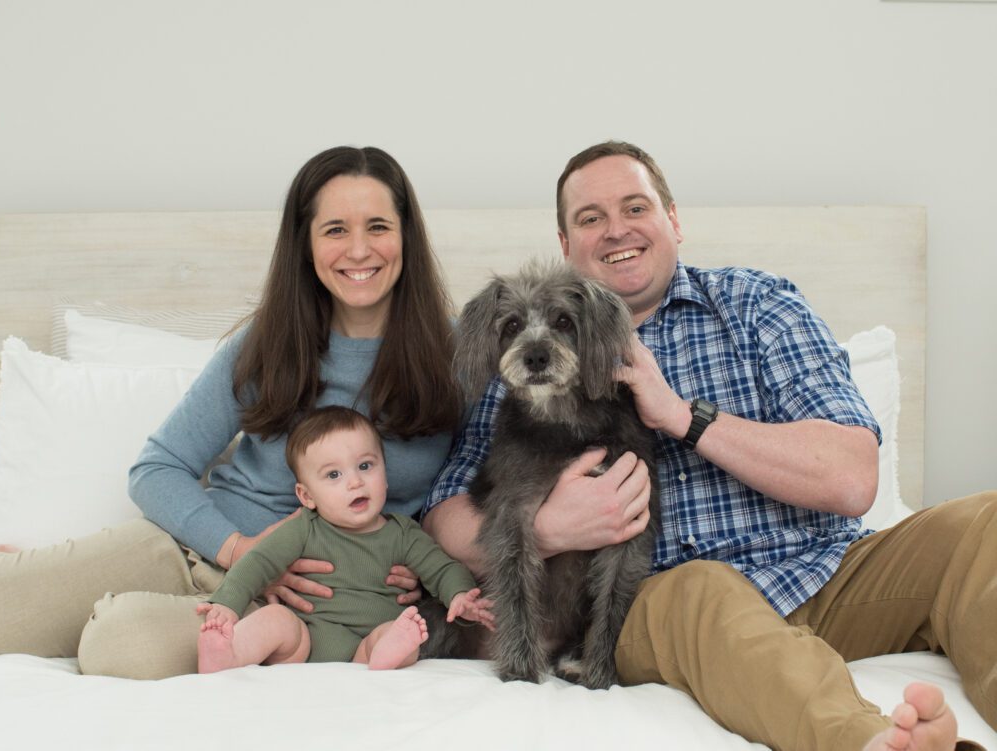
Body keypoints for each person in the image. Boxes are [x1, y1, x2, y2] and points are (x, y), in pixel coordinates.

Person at [422, 140, 996, 751]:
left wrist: (680, 416)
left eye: (636, 207)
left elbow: (853, 479)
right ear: (566, 245)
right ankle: (871, 744)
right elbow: (443, 516)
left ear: (673, 219)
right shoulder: (526, 359)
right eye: (590, 218)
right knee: (705, 587)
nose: (616, 230)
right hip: (675, 603)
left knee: (982, 522)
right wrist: (548, 529)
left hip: (829, 576)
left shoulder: (758, 305)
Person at [0, 145, 464, 680]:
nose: (360, 249)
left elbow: (480, 499)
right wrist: (239, 550)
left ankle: (77, 595)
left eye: (378, 226)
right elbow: (157, 467)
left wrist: (423, 570)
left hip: (287, 618)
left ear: (406, 235)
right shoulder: (269, 342)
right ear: (305, 244)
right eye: (335, 230)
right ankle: (25, 572)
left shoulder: (461, 355)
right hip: (194, 554)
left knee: (123, 647)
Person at [197, 406, 493, 674]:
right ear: (306, 496)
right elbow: (257, 563)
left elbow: (441, 568)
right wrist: (226, 605)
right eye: (333, 475)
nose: (355, 482)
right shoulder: (304, 527)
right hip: (304, 641)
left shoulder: (403, 533)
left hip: (366, 646)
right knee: (275, 618)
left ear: (386, 475)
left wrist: (460, 594)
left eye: (365, 466)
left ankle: (385, 655)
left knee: (404, 632)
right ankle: (229, 655)